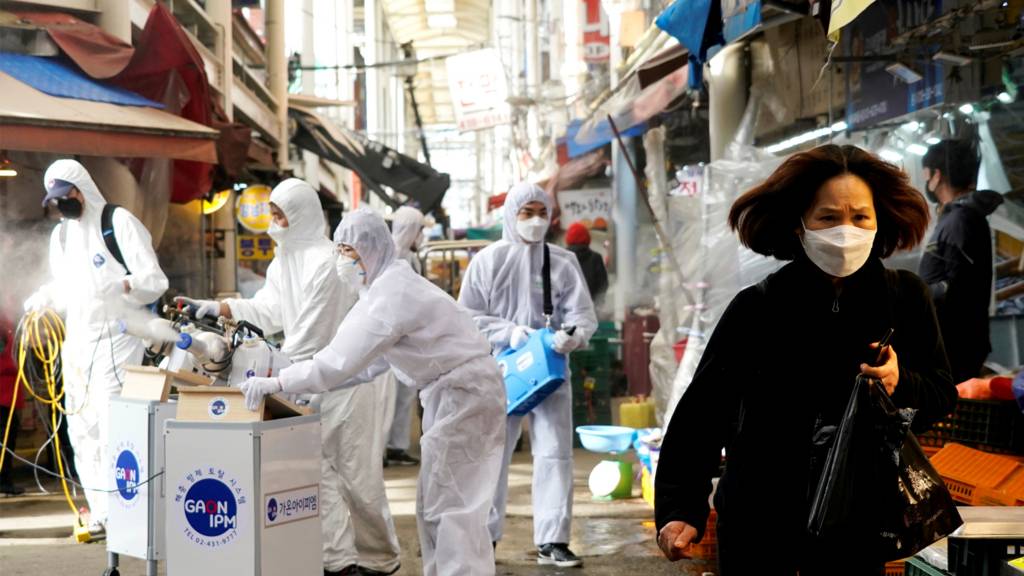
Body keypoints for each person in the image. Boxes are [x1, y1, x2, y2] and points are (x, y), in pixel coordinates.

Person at [654, 145, 957, 575]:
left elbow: (941, 395)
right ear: (800, 226)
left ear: (878, 222)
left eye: (860, 217)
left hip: (857, 522)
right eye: (829, 218)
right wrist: (680, 508)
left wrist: (899, 382)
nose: (846, 230)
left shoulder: (905, 298)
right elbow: (702, 415)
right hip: (758, 522)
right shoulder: (756, 307)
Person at [239, 208, 505, 576]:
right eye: (340, 249)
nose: (341, 260)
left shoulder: (389, 294)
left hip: (464, 395)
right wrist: (307, 389)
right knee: (440, 506)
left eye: (348, 251)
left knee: (454, 509)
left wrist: (280, 383)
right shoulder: (387, 286)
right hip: (459, 393)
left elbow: (337, 361)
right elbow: (370, 364)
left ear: (371, 249)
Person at [176, 179, 401, 576]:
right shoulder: (283, 261)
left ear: (300, 215)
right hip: (303, 378)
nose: (273, 222)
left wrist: (269, 370)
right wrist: (216, 308)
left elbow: (311, 334)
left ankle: (380, 561)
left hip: (345, 383)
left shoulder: (328, 263)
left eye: (280, 214)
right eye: (273, 213)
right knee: (317, 473)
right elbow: (268, 310)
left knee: (357, 477)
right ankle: (339, 560)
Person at [23, 159, 169, 532]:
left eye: (66, 195)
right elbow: (66, 287)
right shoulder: (63, 236)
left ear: (81, 188)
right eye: (56, 199)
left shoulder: (118, 223)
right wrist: (43, 297)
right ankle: (102, 513)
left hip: (119, 337)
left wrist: (123, 286)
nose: (62, 204)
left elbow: (155, 280)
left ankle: (128, 510)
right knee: (80, 428)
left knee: (112, 425)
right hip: (78, 341)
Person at [459, 182, 598, 567]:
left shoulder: (563, 262)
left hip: (551, 369)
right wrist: (510, 333)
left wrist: (572, 337)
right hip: (500, 370)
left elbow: (583, 316)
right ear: (511, 215)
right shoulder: (488, 262)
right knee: (493, 454)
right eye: (527, 212)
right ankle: (484, 538)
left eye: (542, 212)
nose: (535, 221)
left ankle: (553, 539)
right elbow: (466, 316)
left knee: (554, 452)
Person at [919, 139, 1003, 384]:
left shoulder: (961, 220)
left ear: (937, 176)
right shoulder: (958, 217)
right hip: (951, 343)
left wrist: (913, 294)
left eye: (926, 174)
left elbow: (956, 288)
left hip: (955, 346)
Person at [384, 206, 426, 467]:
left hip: (408, 337)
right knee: (390, 396)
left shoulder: (411, 258)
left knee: (404, 395)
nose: (421, 236)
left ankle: (396, 446)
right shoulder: (393, 259)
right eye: (420, 230)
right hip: (393, 339)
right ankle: (387, 447)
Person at [564, 222, 609, 308]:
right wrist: (598, 303)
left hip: (567, 309)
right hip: (591, 309)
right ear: (587, 238)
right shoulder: (596, 258)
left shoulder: (563, 258)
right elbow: (603, 284)